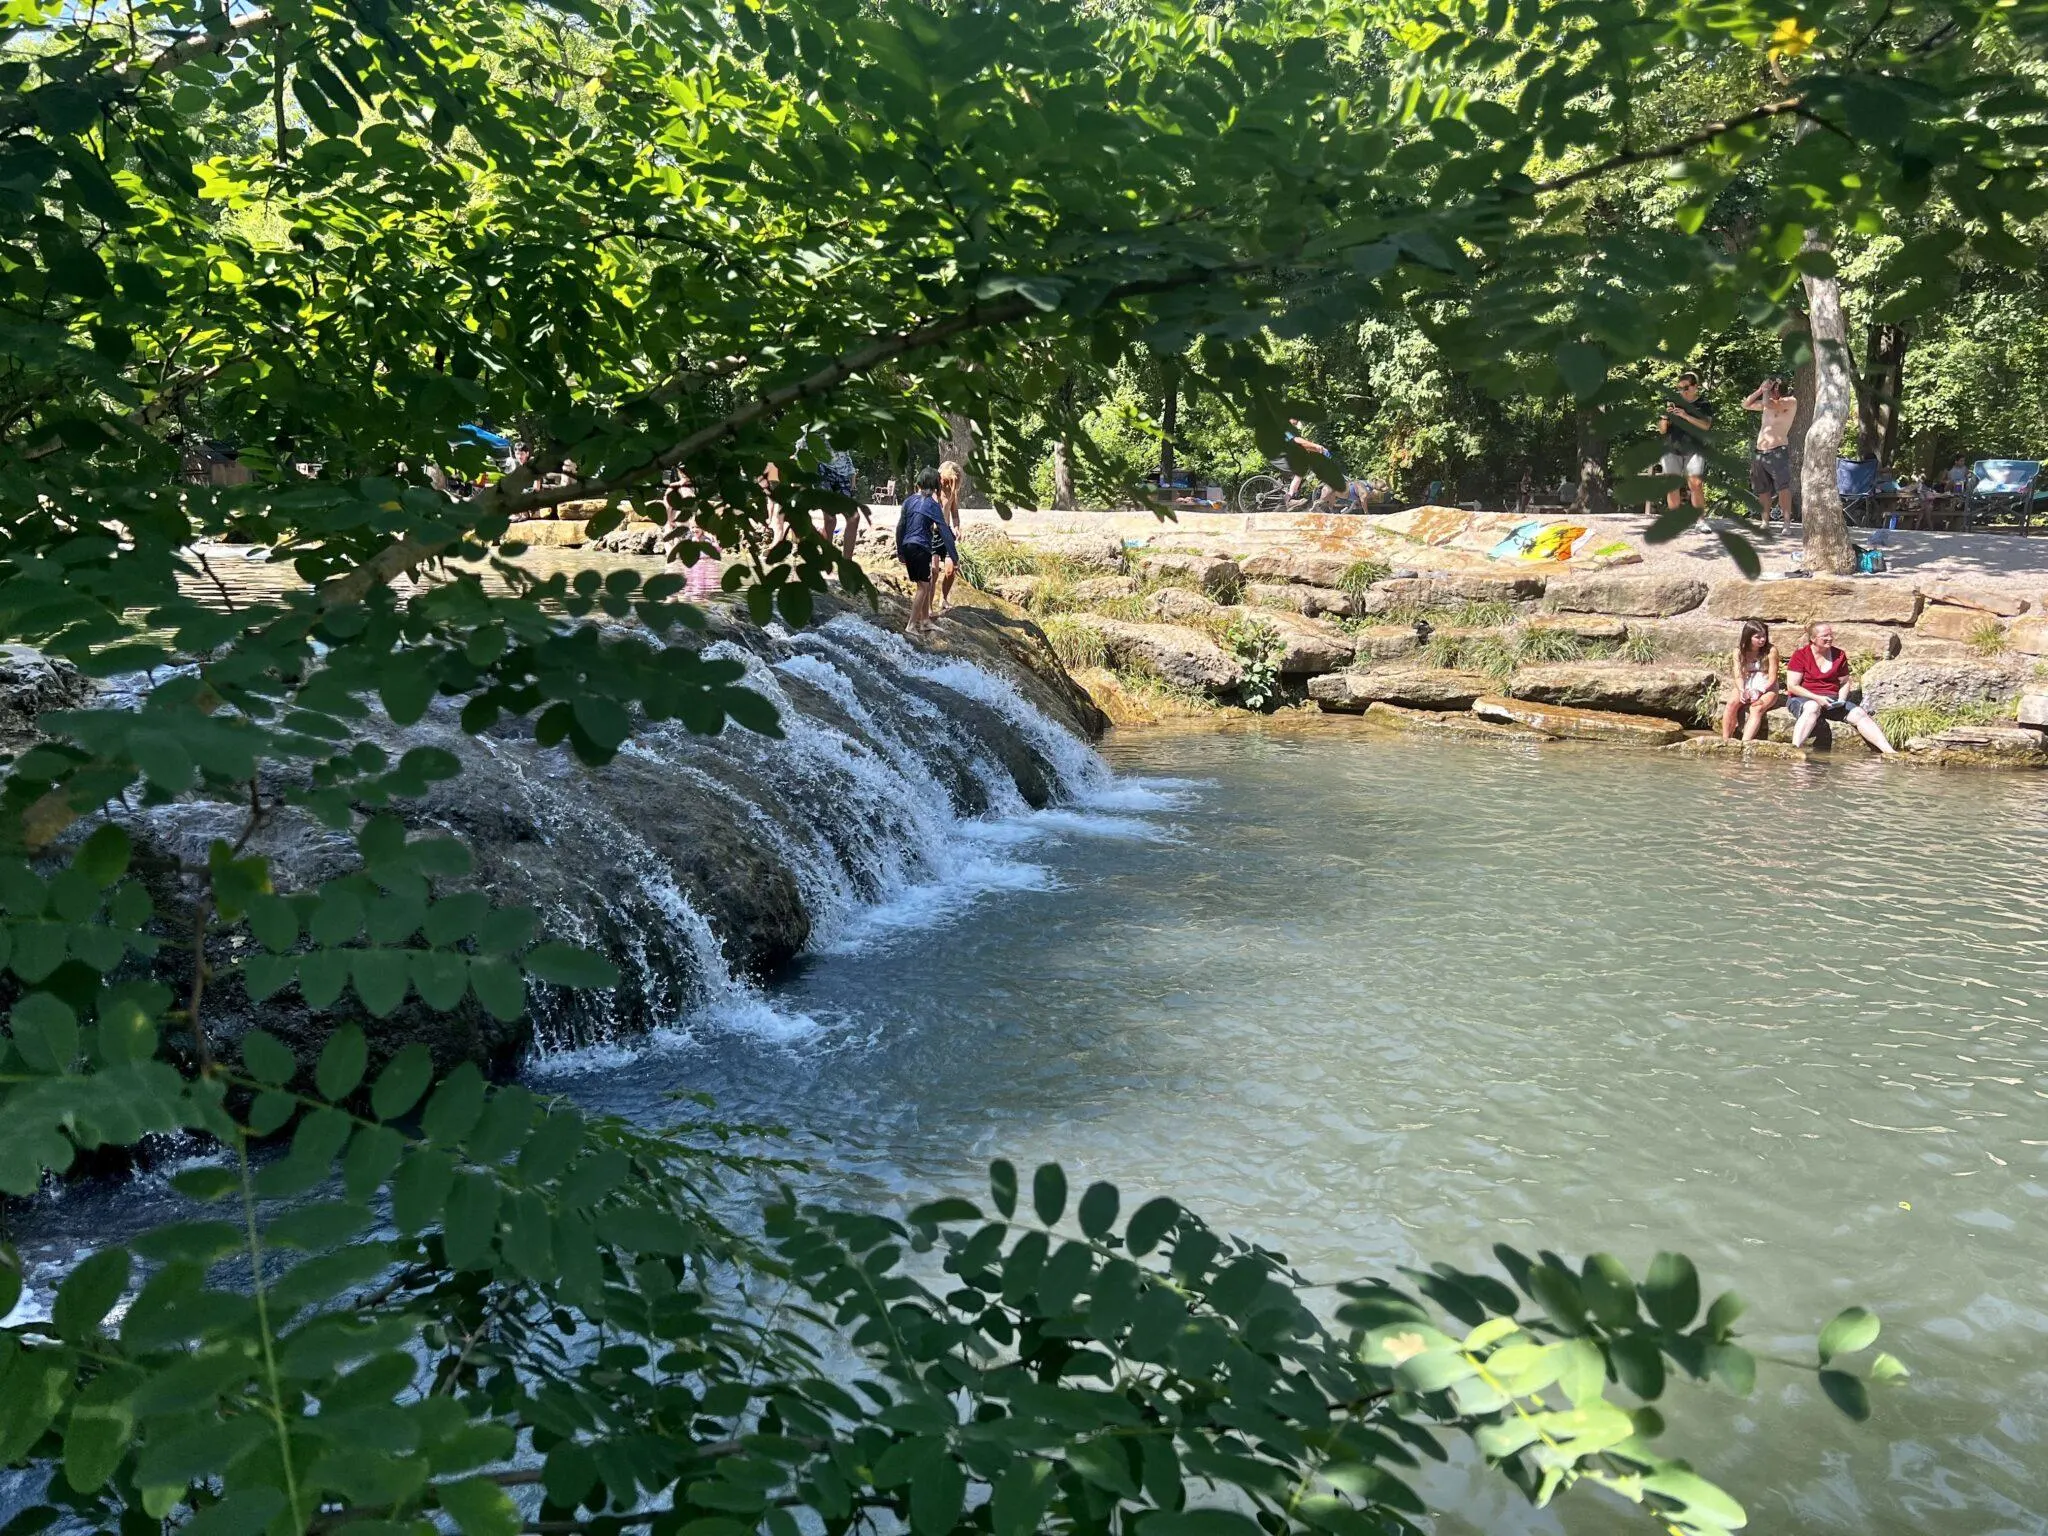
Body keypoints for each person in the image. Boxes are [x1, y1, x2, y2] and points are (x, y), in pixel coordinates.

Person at [1785, 621, 1897, 754]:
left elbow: (1844, 683)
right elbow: (1792, 686)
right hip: (1805, 698)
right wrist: (1817, 698)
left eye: (1831, 635)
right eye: (1825, 636)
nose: (1830, 638)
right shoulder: (1801, 655)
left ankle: (1889, 752)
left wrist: (1842, 700)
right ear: (1813, 639)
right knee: (1812, 707)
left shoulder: (1839, 655)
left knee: (1859, 713)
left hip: (1831, 701)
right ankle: (1794, 750)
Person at [895, 468, 959, 634]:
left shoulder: (908, 501)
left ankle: (925, 621)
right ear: (936, 484)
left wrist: (900, 550)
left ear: (919, 483)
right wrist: (954, 556)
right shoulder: (932, 505)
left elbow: (900, 526)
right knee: (923, 587)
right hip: (921, 547)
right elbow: (944, 530)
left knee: (925, 582)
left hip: (908, 546)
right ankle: (911, 625)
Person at [1741, 376, 1797, 533]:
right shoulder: (1767, 403)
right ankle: (1765, 521)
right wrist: (1760, 390)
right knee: (1762, 489)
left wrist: (1766, 392)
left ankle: (1787, 523)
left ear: (1777, 389)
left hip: (1778, 450)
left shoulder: (1790, 401)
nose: (1769, 392)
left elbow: (1768, 403)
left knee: (1783, 488)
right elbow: (1746, 404)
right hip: (1760, 452)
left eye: (1771, 389)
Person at [1659, 371, 1715, 513]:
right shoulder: (1673, 402)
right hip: (1672, 448)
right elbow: (1662, 431)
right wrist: (1665, 417)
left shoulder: (1703, 404)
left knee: (1695, 484)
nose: (1682, 391)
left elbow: (1706, 425)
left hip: (1695, 449)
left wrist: (1685, 415)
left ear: (1695, 386)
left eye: (1685, 387)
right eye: (1679, 388)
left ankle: (1700, 521)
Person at [1720, 620, 1783, 742]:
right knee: (1731, 704)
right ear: (1748, 637)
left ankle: (1745, 743)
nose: (1762, 639)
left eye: (1764, 636)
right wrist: (1742, 690)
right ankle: (1725, 740)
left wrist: (1760, 691)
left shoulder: (1771, 650)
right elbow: (1738, 675)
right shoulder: (1738, 651)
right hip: (1746, 683)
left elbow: (1772, 677)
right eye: (1758, 637)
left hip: (1766, 686)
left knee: (1756, 708)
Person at [933, 460, 964, 615]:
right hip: (933, 533)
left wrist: (957, 527)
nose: (950, 486)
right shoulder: (934, 491)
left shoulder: (952, 493)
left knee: (952, 568)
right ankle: (927, 604)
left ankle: (943, 598)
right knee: (933, 569)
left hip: (946, 533)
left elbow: (955, 513)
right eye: (949, 482)